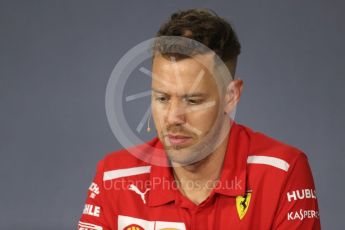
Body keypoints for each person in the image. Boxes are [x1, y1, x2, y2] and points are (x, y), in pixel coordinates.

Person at [78, 9, 320, 230]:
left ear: (231, 96)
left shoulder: (282, 172)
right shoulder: (113, 176)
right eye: (162, 98)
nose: (173, 117)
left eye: (192, 101)